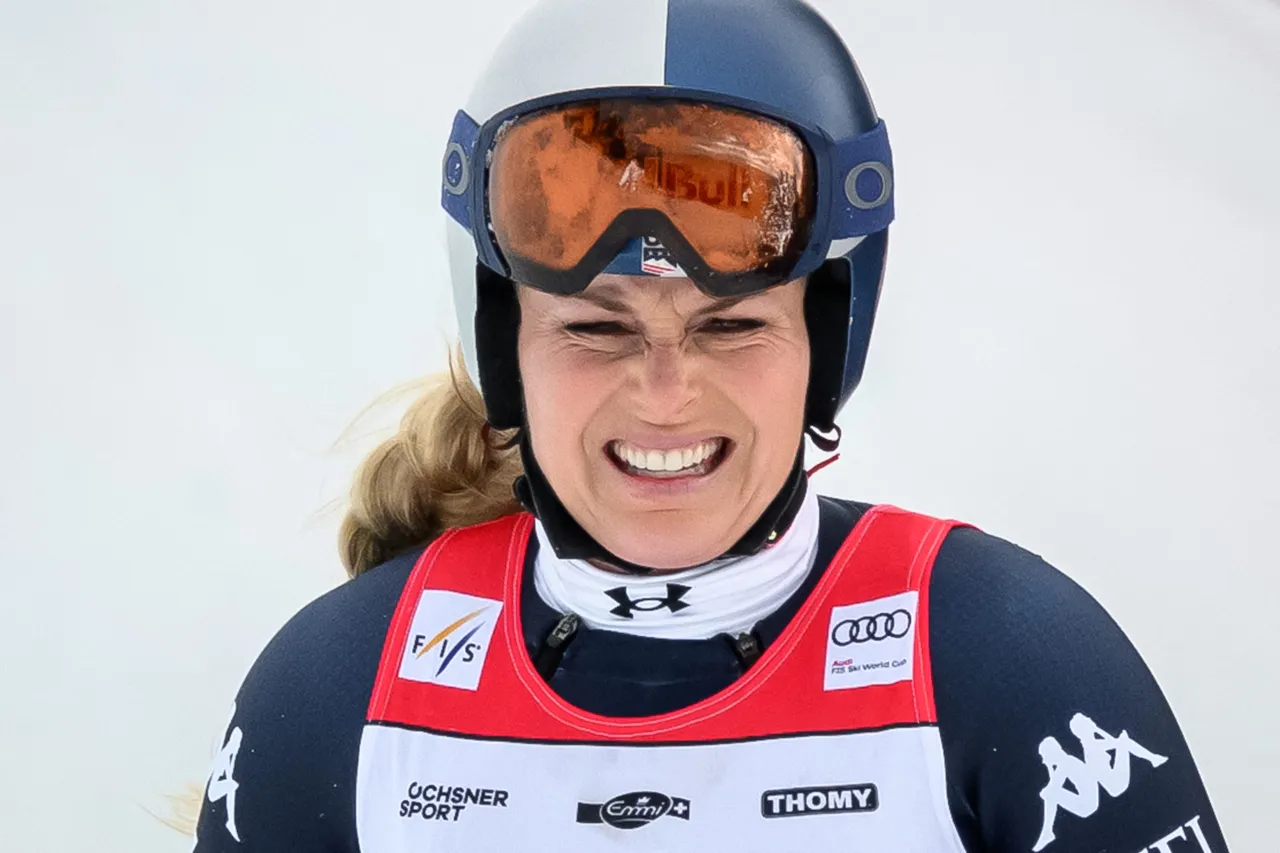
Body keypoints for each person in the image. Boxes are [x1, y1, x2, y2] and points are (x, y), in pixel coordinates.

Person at [192, 1, 1230, 851]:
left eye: (731, 325)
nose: (661, 391)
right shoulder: (333, 689)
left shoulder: (1011, 664)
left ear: (826, 344)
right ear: (505, 340)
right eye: (595, 328)